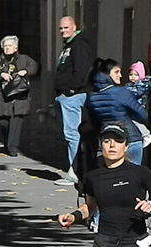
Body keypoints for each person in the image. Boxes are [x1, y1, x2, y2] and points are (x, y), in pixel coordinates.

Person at [0, 35, 38, 157]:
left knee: (16, 121)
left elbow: (34, 66)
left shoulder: (24, 59)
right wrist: (0, 74)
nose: (7, 48)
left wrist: (26, 71)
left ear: (16, 47)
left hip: (20, 96)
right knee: (4, 122)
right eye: (5, 46)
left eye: (10, 46)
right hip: (3, 96)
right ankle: (7, 142)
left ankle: (12, 147)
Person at [86, 58, 148, 166]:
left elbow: (94, 121)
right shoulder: (121, 92)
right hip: (130, 138)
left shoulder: (92, 96)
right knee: (133, 176)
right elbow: (143, 115)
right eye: (116, 72)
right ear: (107, 74)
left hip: (107, 139)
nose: (120, 75)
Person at [54, 16, 93, 186]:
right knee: (69, 133)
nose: (63, 31)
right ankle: (74, 169)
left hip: (73, 96)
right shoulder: (69, 45)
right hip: (66, 96)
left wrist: (71, 90)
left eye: (66, 27)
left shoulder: (79, 45)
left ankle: (75, 171)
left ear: (74, 27)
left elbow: (81, 71)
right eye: (61, 28)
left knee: (72, 134)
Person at [125, 60, 151, 148]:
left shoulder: (141, 86)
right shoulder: (130, 86)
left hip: (138, 109)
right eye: (131, 75)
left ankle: (146, 135)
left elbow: (135, 92)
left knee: (134, 122)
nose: (133, 77)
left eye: (136, 75)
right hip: (132, 109)